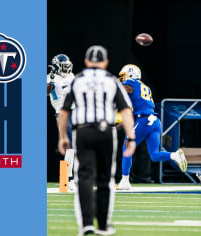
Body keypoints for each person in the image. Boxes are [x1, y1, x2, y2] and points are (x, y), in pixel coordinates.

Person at [58, 45, 136, 236]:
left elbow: (64, 111)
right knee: (105, 179)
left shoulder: (77, 80)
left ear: (86, 62)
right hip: (105, 131)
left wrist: (62, 136)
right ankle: (102, 225)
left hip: (82, 131)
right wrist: (131, 137)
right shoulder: (111, 80)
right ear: (105, 63)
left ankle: (86, 224)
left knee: (84, 177)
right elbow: (126, 110)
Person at [117, 64, 187, 190]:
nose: (122, 79)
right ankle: (174, 155)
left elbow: (119, 89)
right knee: (154, 155)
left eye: (123, 76)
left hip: (145, 120)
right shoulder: (145, 87)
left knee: (126, 148)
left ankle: (125, 181)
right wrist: (116, 128)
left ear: (131, 75)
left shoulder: (131, 82)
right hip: (155, 121)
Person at [47, 54, 76, 190]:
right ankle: (68, 179)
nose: (66, 69)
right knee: (69, 145)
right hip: (62, 113)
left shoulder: (71, 76)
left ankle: (72, 178)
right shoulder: (50, 78)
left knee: (77, 145)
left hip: (76, 111)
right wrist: (50, 82)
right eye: (64, 66)